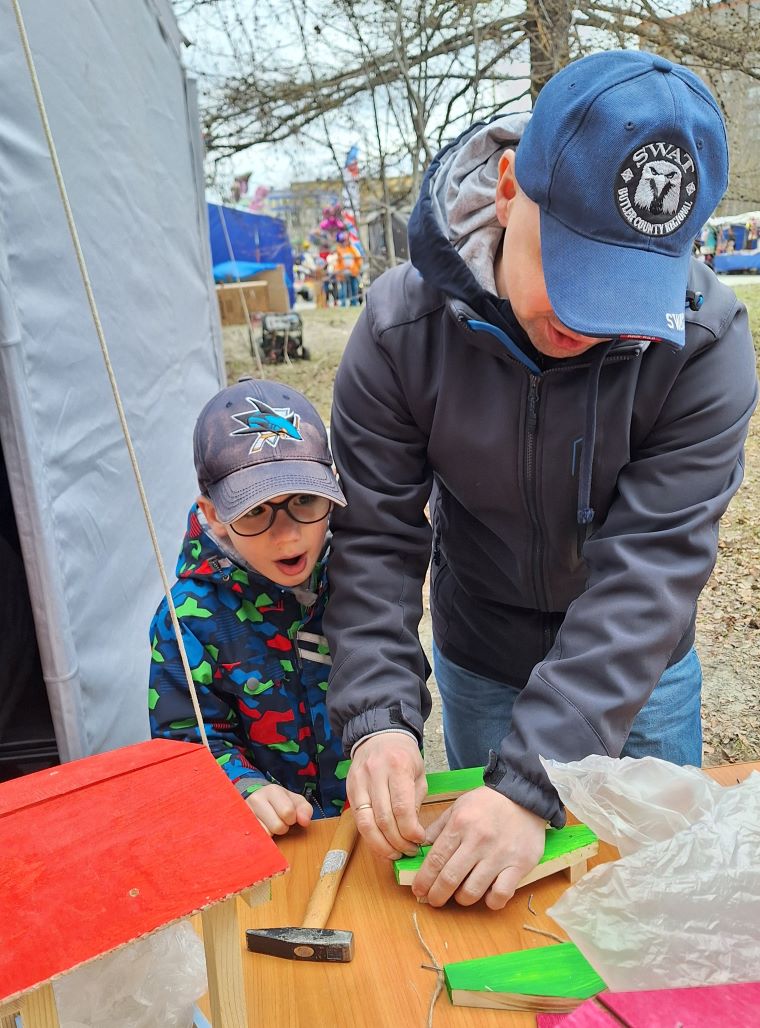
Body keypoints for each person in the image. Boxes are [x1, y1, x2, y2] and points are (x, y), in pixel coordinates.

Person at [323, 50, 758, 909]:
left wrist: (531, 781)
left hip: (639, 673)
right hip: (484, 649)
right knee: (497, 907)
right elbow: (375, 539)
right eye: (572, 267)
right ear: (513, 185)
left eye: (626, 286)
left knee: (656, 903)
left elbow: (654, 567)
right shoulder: (399, 330)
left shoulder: (704, 342)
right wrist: (377, 715)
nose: (587, 318)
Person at [149, 377, 348, 834]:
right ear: (216, 513)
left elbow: (400, 674)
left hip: (369, 830)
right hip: (273, 842)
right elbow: (187, 743)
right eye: (255, 510)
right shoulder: (186, 622)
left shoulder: (357, 578)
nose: (288, 534)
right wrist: (246, 788)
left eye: (304, 500)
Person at [334, 232, 363, 307]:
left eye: (345, 241)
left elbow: (358, 259)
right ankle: (343, 303)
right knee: (344, 289)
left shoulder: (353, 249)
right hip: (343, 273)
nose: (344, 243)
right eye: (342, 241)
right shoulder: (339, 250)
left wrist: (358, 269)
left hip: (353, 272)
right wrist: (339, 271)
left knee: (354, 288)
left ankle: (354, 302)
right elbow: (337, 262)